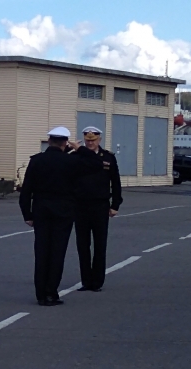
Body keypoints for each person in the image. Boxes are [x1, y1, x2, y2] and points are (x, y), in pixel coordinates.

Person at [18, 126, 87, 306]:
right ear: (65, 142)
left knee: (41, 252)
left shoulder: (37, 160)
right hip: (64, 211)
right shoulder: (72, 161)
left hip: (41, 211)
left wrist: (27, 214)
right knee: (57, 252)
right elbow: (94, 164)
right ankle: (51, 293)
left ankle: (41, 294)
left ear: (49, 141)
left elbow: (26, 190)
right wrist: (79, 149)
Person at [72, 126, 123, 292]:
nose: (90, 143)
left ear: (99, 139)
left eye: (93, 140)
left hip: (100, 205)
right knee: (82, 245)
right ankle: (86, 281)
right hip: (80, 205)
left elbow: (115, 182)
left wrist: (115, 204)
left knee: (100, 245)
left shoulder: (108, 157)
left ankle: (97, 282)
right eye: (87, 140)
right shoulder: (76, 156)